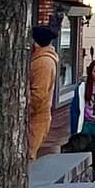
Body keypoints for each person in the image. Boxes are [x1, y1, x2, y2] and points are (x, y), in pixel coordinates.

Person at [27, 25, 60, 160]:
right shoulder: (39, 59)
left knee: (28, 156)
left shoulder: (43, 63)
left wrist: (24, 111)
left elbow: (38, 95)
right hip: (34, 116)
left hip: (37, 117)